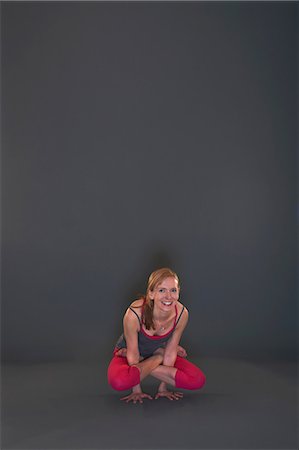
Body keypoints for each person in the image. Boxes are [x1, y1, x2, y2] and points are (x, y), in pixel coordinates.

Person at [107, 267, 206, 403]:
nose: (168, 296)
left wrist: (163, 388)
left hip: (159, 351)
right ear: (151, 294)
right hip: (127, 353)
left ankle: (155, 357)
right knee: (119, 382)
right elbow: (133, 353)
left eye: (173, 290)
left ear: (178, 293)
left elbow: (170, 352)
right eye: (161, 290)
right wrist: (136, 391)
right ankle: (157, 358)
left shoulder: (182, 314)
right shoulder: (134, 313)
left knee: (197, 380)